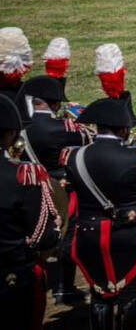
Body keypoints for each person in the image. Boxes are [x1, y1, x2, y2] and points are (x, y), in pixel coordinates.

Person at [63, 97, 136, 329]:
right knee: (130, 291)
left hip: (89, 232)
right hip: (129, 233)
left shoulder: (73, 157)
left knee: (98, 291)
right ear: (124, 128)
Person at [16, 75, 91, 304]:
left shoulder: (22, 128)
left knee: (35, 233)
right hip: (61, 189)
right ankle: (65, 288)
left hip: (32, 188)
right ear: (55, 103)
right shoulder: (64, 128)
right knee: (68, 236)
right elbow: (88, 140)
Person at [0, 94, 61, 329]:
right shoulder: (23, 176)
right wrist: (55, 229)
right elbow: (42, 237)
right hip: (16, 273)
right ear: (9, 134)